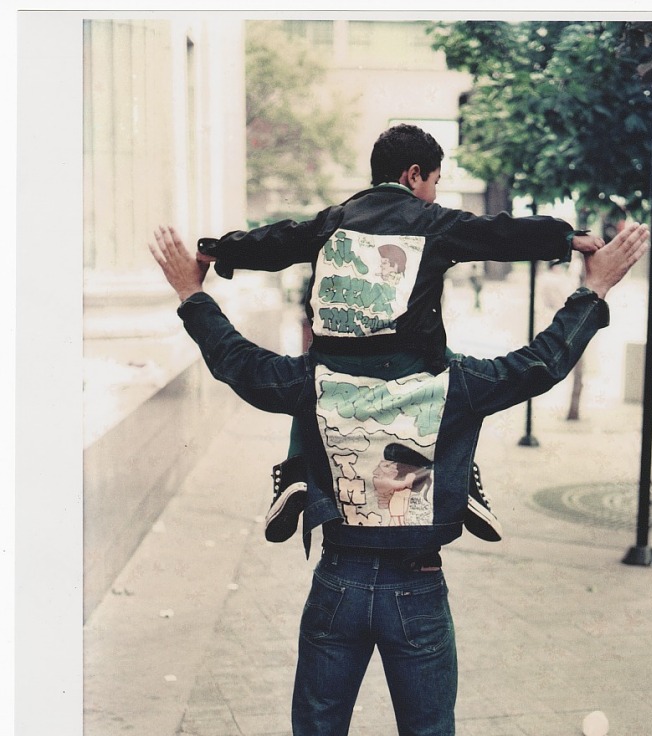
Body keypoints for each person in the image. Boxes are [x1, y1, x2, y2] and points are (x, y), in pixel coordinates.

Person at [149, 219, 649, 736]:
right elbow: (543, 362)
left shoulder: (316, 382)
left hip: (338, 580)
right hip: (417, 584)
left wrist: (191, 294)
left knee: (316, 732)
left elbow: (239, 363)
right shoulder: (458, 383)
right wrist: (592, 292)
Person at [196, 124, 604, 547]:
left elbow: (277, 240)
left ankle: (296, 470)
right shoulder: (433, 222)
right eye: (435, 182)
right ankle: (463, 480)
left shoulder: (331, 222)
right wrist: (564, 237)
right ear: (413, 175)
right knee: (456, 384)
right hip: (409, 359)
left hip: (336, 360)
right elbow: (498, 234)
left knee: (310, 380)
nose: (435, 193)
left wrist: (222, 250)